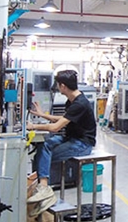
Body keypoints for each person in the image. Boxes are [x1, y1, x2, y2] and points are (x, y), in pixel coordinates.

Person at [26, 70, 97, 212]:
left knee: (45, 155)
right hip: (70, 138)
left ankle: (43, 188)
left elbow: (55, 127)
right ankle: (42, 185)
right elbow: (64, 118)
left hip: (82, 144)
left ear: (63, 86)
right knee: (43, 146)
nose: (57, 87)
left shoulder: (80, 103)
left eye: (58, 85)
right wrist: (42, 115)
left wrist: (33, 126)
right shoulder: (71, 101)